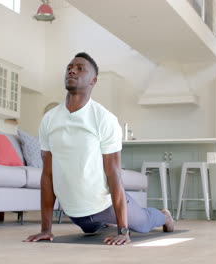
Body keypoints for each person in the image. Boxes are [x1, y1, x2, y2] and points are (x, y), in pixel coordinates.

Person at [24, 52, 174, 245]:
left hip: (105, 205)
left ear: (93, 80)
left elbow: (114, 175)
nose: (72, 71)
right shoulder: (49, 120)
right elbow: (48, 176)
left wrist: (123, 231)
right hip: (75, 213)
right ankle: (104, 224)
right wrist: (46, 229)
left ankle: (164, 216)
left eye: (80, 69)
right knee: (91, 228)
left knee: (143, 223)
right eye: (69, 68)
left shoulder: (104, 119)